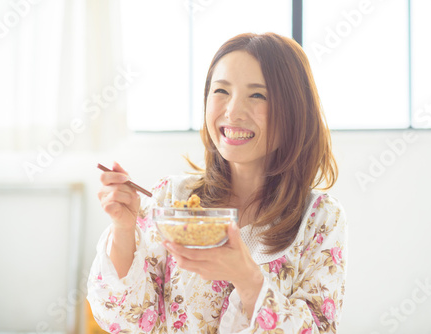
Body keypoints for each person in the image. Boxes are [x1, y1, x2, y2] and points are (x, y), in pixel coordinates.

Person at [87, 32, 347, 334]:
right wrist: (123, 228)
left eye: (258, 95)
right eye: (221, 91)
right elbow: (126, 319)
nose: (232, 111)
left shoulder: (321, 219)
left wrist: (247, 277)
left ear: (294, 110)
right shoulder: (172, 198)